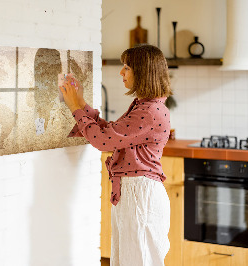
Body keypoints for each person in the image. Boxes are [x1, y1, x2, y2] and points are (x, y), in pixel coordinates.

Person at [60, 44, 172, 266]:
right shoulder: (145, 106)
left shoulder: (149, 111)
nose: (121, 72)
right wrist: (81, 103)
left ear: (143, 72)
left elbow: (103, 141)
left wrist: (75, 107)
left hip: (140, 195)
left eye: (127, 67)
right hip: (135, 193)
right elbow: (111, 133)